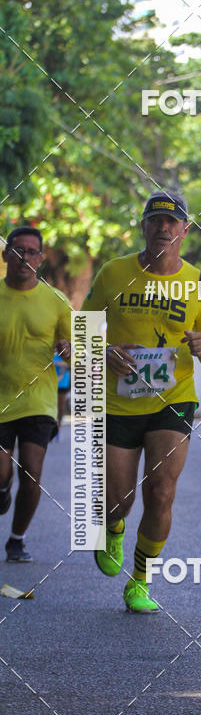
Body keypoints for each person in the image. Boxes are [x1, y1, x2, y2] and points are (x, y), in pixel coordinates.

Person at [84, 191, 201, 613]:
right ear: (144, 226)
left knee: (161, 491)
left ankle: (140, 581)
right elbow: (82, 331)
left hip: (173, 400)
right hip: (118, 403)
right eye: (156, 220)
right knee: (117, 499)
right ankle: (113, 526)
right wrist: (104, 350)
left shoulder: (198, 282)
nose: (164, 228)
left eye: (172, 221)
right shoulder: (114, 272)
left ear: (185, 230)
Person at [0, 226, 71, 562]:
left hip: (39, 400)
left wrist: (69, 349)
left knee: (31, 471)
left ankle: (17, 539)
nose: (24, 257)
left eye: (31, 252)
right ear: (5, 255)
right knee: (1, 473)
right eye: (17, 250)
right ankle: (2, 489)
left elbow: (80, 349)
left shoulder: (56, 300)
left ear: (40, 259)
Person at [53, 352, 71, 438]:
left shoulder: (66, 353)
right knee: (52, 406)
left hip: (63, 384)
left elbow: (70, 365)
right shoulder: (52, 354)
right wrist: (57, 363)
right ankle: (52, 428)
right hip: (51, 383)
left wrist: (62, 364)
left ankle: (58, 428)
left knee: (60, 408)